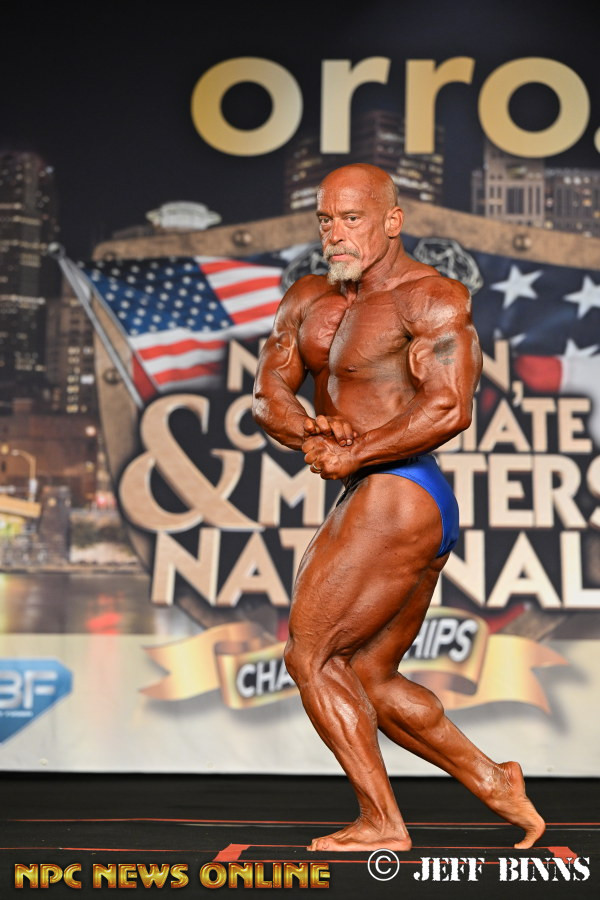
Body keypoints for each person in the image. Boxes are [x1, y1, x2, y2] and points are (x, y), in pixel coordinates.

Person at [252, 163, 545, 853]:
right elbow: (269, 394)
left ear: (391, 221)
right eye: (326, 219)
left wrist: (355, 450)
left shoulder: (430, 297)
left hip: (401, 488)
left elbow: (449, 407)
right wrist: (311, 432)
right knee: (370, 675)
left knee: (311, 655)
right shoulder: (307, 299)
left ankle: (382, 822)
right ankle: (496, 781)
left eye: (352, 218)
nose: (335, 232)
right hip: (376, 491)